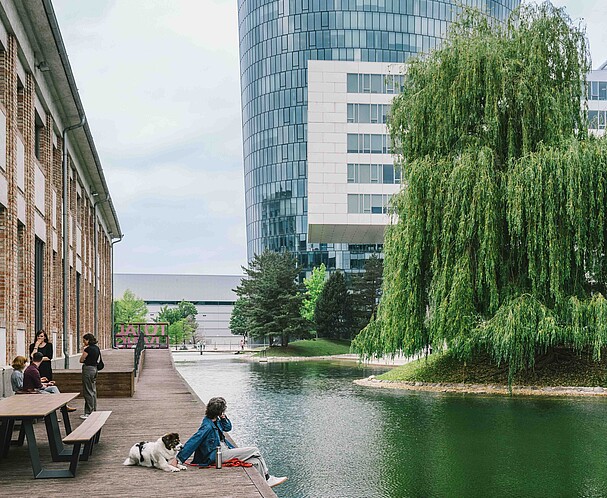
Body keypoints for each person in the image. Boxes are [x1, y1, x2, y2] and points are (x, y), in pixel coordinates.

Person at [172, 397, 287, 488]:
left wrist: (223, 417)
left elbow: (228, 428)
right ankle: (267, 478)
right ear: (219, 411)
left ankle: (264, 483)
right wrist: (179, 459)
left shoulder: (215, 420)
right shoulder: (207, 426)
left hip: (225, 450)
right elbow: (194, 441)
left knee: (256, 460)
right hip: (216, 455)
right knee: (255, 450)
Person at [79, 333, 100, 420]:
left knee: (88, 391)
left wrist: (84, 351)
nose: (83, 342)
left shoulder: (88, 349)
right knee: (93, 390)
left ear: (87, 340)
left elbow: (81, 360)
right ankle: (93, 409)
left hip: (88, 369)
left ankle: (89, 412)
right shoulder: (96, 348)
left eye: (84, 340)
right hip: (95, 369)